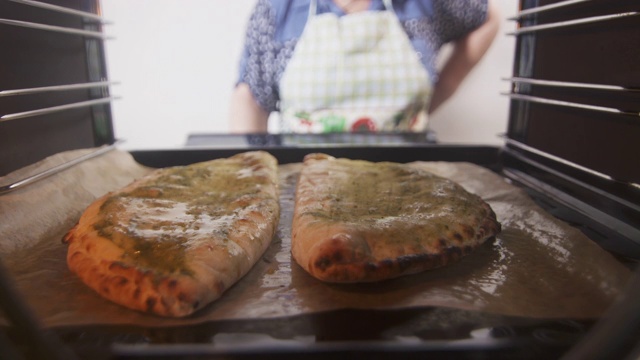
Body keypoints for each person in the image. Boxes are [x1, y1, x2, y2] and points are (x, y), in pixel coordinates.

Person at [229, 0, 499, 134]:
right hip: (304, 190)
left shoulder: (423, 4)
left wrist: (444, 87)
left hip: (410, 184)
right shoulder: (279, 9)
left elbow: (487, 18)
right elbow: (252, 97)